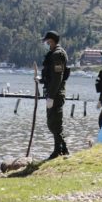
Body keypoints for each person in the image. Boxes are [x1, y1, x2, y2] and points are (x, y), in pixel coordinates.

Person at [40, 30, 70, 160]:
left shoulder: (57, 54)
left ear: (52, 41)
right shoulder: (52, 54)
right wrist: (40, 79)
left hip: (56, 94)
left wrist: (51, 96)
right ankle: (62, 149)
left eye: (47, 41)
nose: (46, 43)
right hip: (53, 93)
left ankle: (59, 150)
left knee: (55, 123)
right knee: (52, 123)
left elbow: (58, 77)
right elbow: (50, 75)